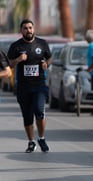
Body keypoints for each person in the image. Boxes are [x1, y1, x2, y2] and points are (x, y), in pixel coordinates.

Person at [7, 19, 52, 153]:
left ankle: (42, 138)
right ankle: (31, 141)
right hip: (23, 86)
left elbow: (49, 57)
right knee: (27, 116)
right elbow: (9, 64)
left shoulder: (42, 43)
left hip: (39, 85)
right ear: (21, 31)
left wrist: (46, 64)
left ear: (34, 29)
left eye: (30, 28)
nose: (28, 30)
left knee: (39, 111)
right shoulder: (16, 46)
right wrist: (18, 60)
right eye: (25, 28)